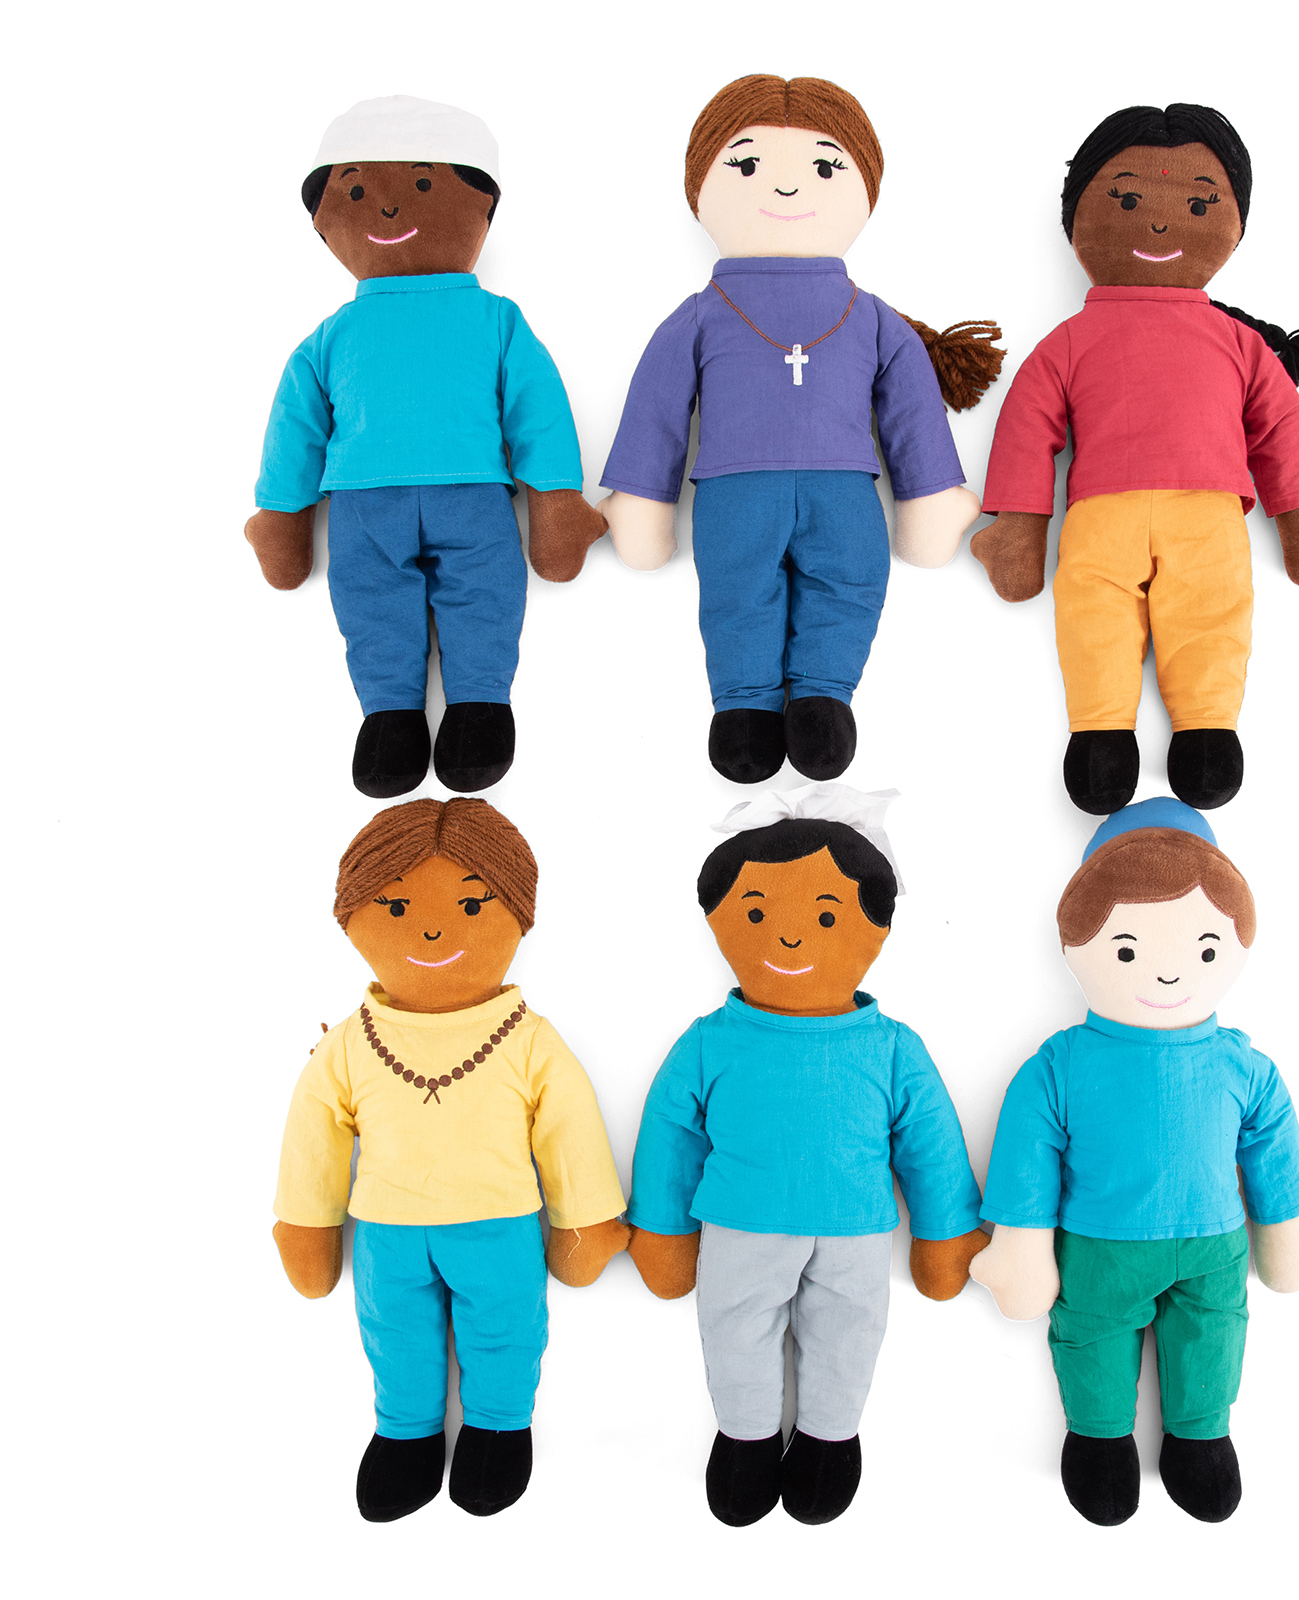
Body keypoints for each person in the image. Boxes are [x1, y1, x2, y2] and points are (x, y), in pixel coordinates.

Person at [599, 75, 1003, 785]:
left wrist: (929, 491)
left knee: (850, 581)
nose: (786, 185)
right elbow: (656, 407)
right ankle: (744, 706)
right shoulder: (702, 314)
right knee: (737, 592)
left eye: (823, 167)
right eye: (747, 165)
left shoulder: (871, 316)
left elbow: (912, 407)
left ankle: (824, 695)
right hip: (740, 490)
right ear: (701, 188)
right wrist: (643, 495)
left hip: (831, 488)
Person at [972, 103, 1299, 813]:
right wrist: (1020, 525)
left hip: (1192, 515)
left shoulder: (1237, 342)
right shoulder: (1070, 343)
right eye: (1126, 201)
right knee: (1098, 618)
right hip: (1116, 517)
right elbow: (1028, 425)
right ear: (1080, 215)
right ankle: (1101, 734)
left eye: (1198, 205)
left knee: (1205, 615)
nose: (1156, 222)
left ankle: (1206, 729)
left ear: (1231, 221)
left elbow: (1280, 425)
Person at [626, 785, 988, 1525]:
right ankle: (745, 1437)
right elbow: (670, 1135)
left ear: (875, 926)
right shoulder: (710, 1042)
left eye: (826, 917)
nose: (790, 937)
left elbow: (932, 1144)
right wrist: (662, 1230)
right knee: (733, 1328)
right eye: (757, 915)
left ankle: (830, 1438)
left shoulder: (892, 1048)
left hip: (855, 1233)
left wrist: (945, 1233)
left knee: (850, 1333)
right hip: (741, 1225)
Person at [970, 797, 1299, 1524]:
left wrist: (1288, 1224)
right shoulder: (1061, 1065)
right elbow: (1027, 1149)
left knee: (1214, 1334)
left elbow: (1273, 1143)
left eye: (1205, 950)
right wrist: (1022, 1242)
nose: (1169, 973)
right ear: (1078, 942)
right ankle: (1099, 1437)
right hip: (1100, 1249)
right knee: (1093, 1334)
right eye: (1128, 950)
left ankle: (1201, 1436)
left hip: (1212, 1248)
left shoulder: (1243, 1065)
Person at [273, 797, 629, 1522]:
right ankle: (404, 1432)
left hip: (499, 1223)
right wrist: (307, 1224)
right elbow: (314, 1131)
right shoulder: (350, 1043)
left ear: (516, 914)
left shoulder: (527, 1038)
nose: (432, 928)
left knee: (506, 1329)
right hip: (387, 1229)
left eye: (471, 905)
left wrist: (586, 1219)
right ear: (354, 915)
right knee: (394, 1335)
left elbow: (568, 1122)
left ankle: (499, 1428)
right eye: (396, 906)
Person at [246, 96, 606, 797]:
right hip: (369, 504)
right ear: (325, 223)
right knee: (373, 604)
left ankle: (479, 706)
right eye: (356, 194)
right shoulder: (331, 337)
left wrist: (556, 500)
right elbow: (296, 426)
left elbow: (537, 410)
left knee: (483, 596)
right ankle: (390, 713)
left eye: (420, 185)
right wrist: (283, 514)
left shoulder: (497, 320)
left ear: (481, 207)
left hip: (465, 494)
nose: (387, 208)